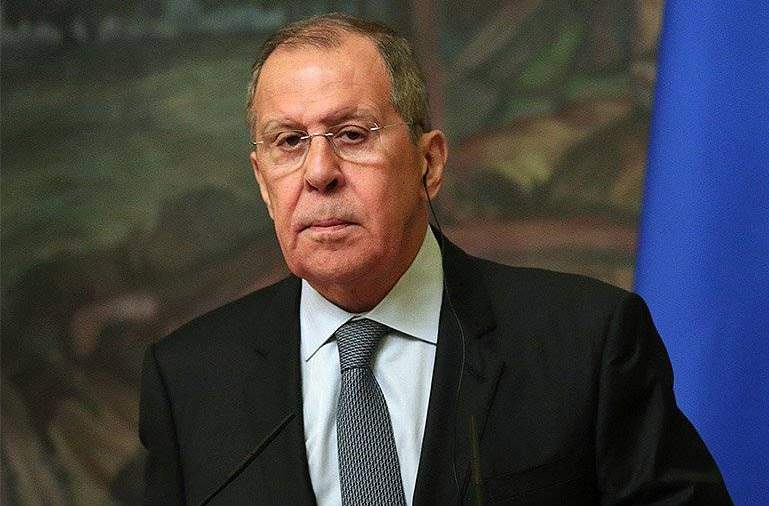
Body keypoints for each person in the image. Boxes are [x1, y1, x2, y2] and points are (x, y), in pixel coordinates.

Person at [139, 13, 731, 506]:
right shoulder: (191, 378)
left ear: (429, 163)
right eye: (289, 142)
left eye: (352, 134)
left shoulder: (586, 342)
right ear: (264, 184)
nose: (319, 173)